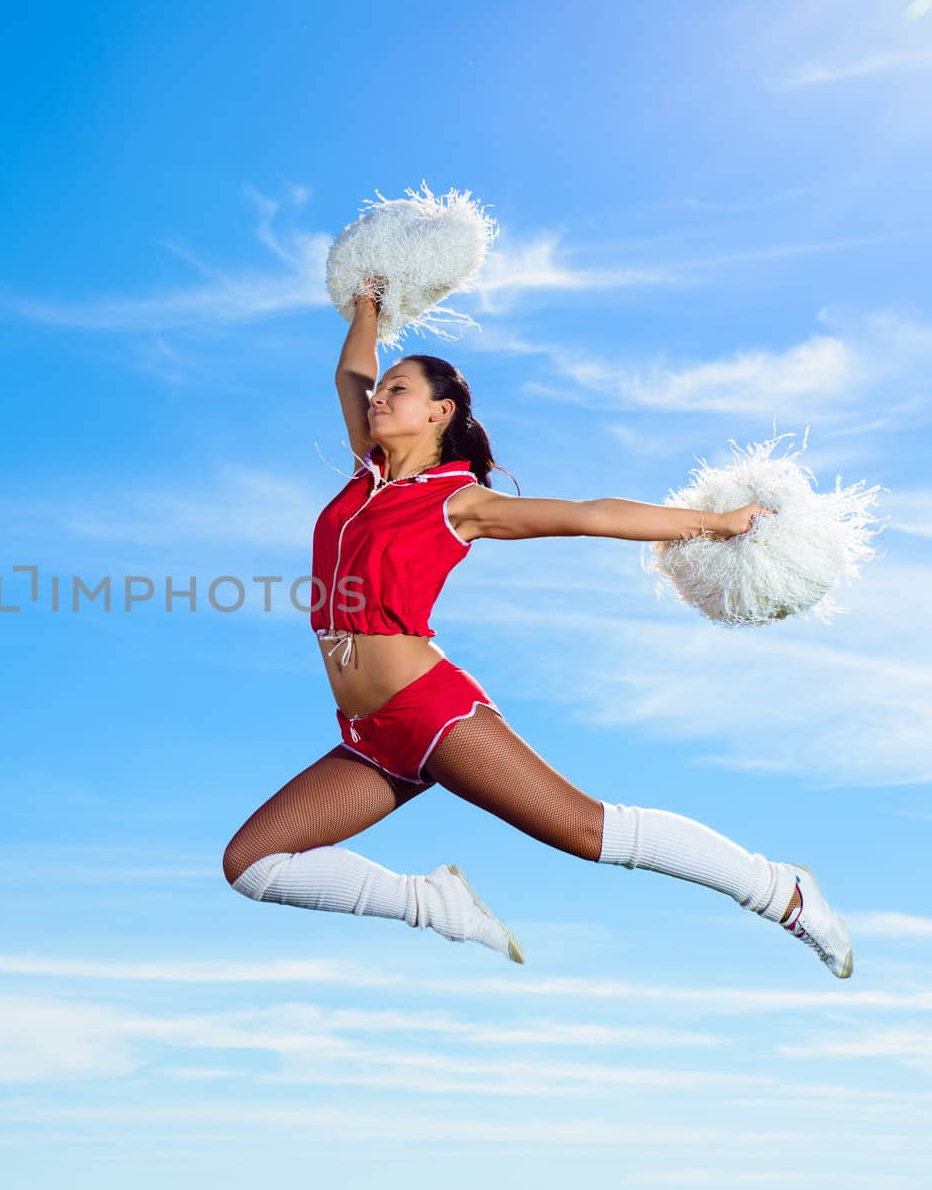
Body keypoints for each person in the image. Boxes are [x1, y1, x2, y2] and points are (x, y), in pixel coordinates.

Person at [221, 286, 854, 977]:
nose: (379, 397)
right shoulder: (365, 475)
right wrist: (369, 300)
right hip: (368, 732)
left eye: (397, 390)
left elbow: (591, 514)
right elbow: (351, 373)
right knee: (251, 862)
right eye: (382, 390)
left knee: (586, 828)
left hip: (429, 710)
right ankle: (434, 902)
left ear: (441, 411)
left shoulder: (459, 500)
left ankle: (782, 891)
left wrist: (718, 522)